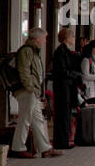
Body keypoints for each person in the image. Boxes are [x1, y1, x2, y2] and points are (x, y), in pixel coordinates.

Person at [10, 28, 61, 158]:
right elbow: (24, 71)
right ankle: (18, 147)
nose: (45, 41)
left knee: (38, 120)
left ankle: (45, 148)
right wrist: (31, 88)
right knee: (25, 119)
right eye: (44, 38)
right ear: (37, 39)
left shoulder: (34, 51)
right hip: (27, 91)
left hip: (33, 91)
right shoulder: (27, 51)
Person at [50, 27, 82, 150]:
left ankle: (64, 139)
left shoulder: (68, 52)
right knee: (62, 114)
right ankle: (61, 141)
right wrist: (76, 75)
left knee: (67, 114)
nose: (74, 38)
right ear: (66, 38)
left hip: (69, 86)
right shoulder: (60, 52)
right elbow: (62, 71)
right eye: (73, 36)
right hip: (63, 87)